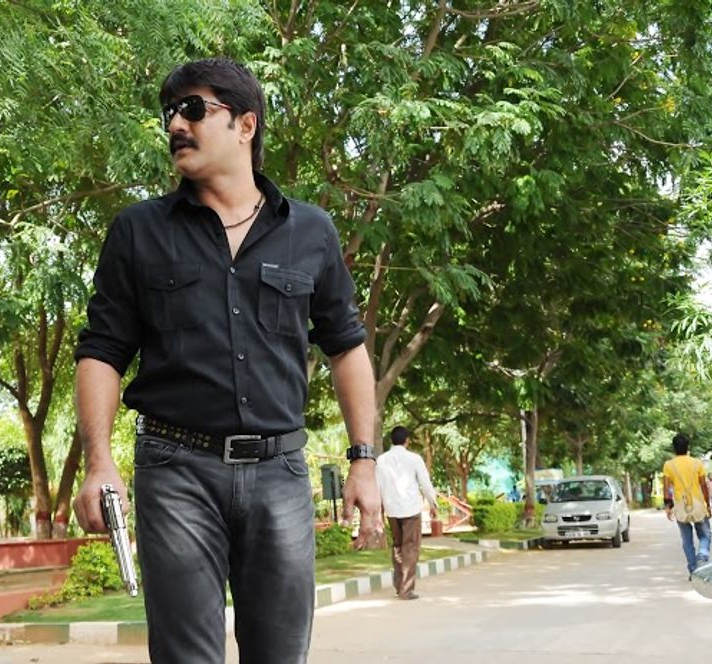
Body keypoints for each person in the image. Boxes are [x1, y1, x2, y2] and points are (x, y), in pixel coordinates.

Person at [71, 58, 381, 664]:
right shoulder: (138, 231)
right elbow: (102, 350)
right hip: (176, 471)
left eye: (193, 110)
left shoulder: (310, 231)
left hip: (280, 473)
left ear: (245, 124)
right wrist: (98, 462)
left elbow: (346, 347)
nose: (175, 126)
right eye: (170, 114)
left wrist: (363, 463)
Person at [375, 426, 438, 600]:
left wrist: (379, 511)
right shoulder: (414, 459)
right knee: (410, 547)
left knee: (397, 546)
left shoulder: (381, 460)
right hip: (411, 509)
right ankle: (406, 589)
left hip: (391, 510)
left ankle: (399, 585)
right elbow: (425, 483)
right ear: (407, 440)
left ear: (391, 440)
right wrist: (433, 504)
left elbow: (377, 486)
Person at [661, 433, 712, 580]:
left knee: (686, 540)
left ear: (674, 448)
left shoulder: (669, 465)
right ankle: (702, 556)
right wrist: (707, 504)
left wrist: (668, 506)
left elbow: (666, 488)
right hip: (697, 504)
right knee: (705, 535)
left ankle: (693, 570)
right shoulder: (697, 463)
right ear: (688, 447)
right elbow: (703, 485)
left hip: (680, 505)